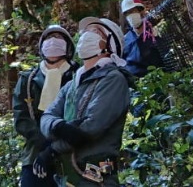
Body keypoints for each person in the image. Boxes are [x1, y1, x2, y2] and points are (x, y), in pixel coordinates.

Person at [35, 18, 132, 187]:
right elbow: (47, 117)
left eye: (95, 32)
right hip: (69, 177)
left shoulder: (113, 80)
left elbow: (90, 128)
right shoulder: (73, 83)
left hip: (96, 177)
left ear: (108, 44)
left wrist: (53, 149)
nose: (86, 35)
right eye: (85, 31)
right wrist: (60, 126)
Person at [13, 25, 79, 186]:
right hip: (36, 152)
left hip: (73, 153)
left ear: (68, 45)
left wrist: (58, 143)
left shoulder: (78, 75)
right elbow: (21, 117)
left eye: (58, 37)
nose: (53, 42)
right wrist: (43, 142)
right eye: (49, 38)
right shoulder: (28, 79)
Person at [121, 0, 165, 78]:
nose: (130, 15)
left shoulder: (156, 34)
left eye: (133, 11)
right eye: (127, 13)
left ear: (141, 11)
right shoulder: (125, 41)